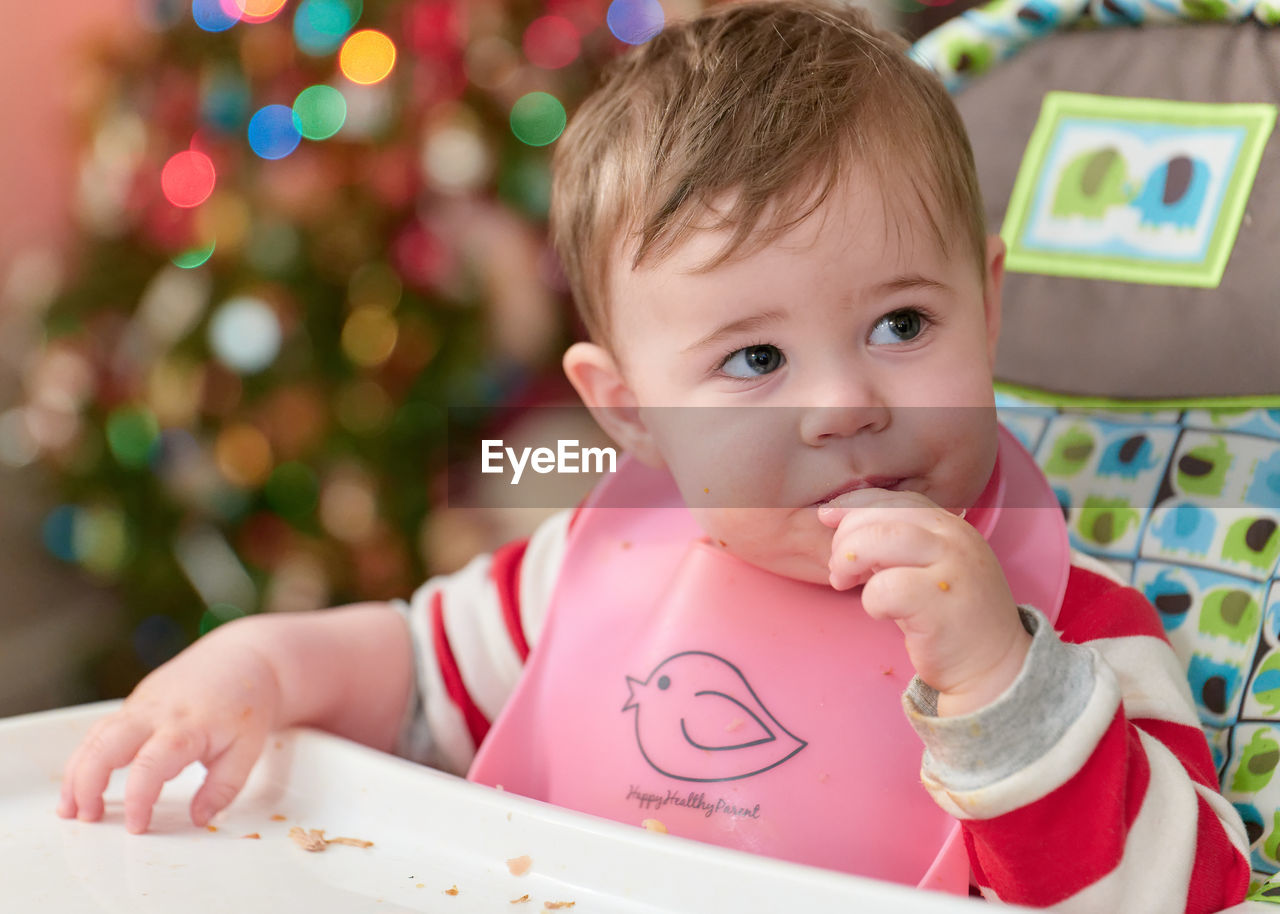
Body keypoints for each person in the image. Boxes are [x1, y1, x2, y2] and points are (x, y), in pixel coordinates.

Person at [58, 1, 1250, 909]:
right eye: (753, 360)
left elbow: (1180, 888)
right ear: (629, 409)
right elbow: (420, 676)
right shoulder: (601, 568)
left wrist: (999, 688)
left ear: (987, 308)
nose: (839, 406)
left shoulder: (1074, 639)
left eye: (901, 325)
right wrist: (253, 669)